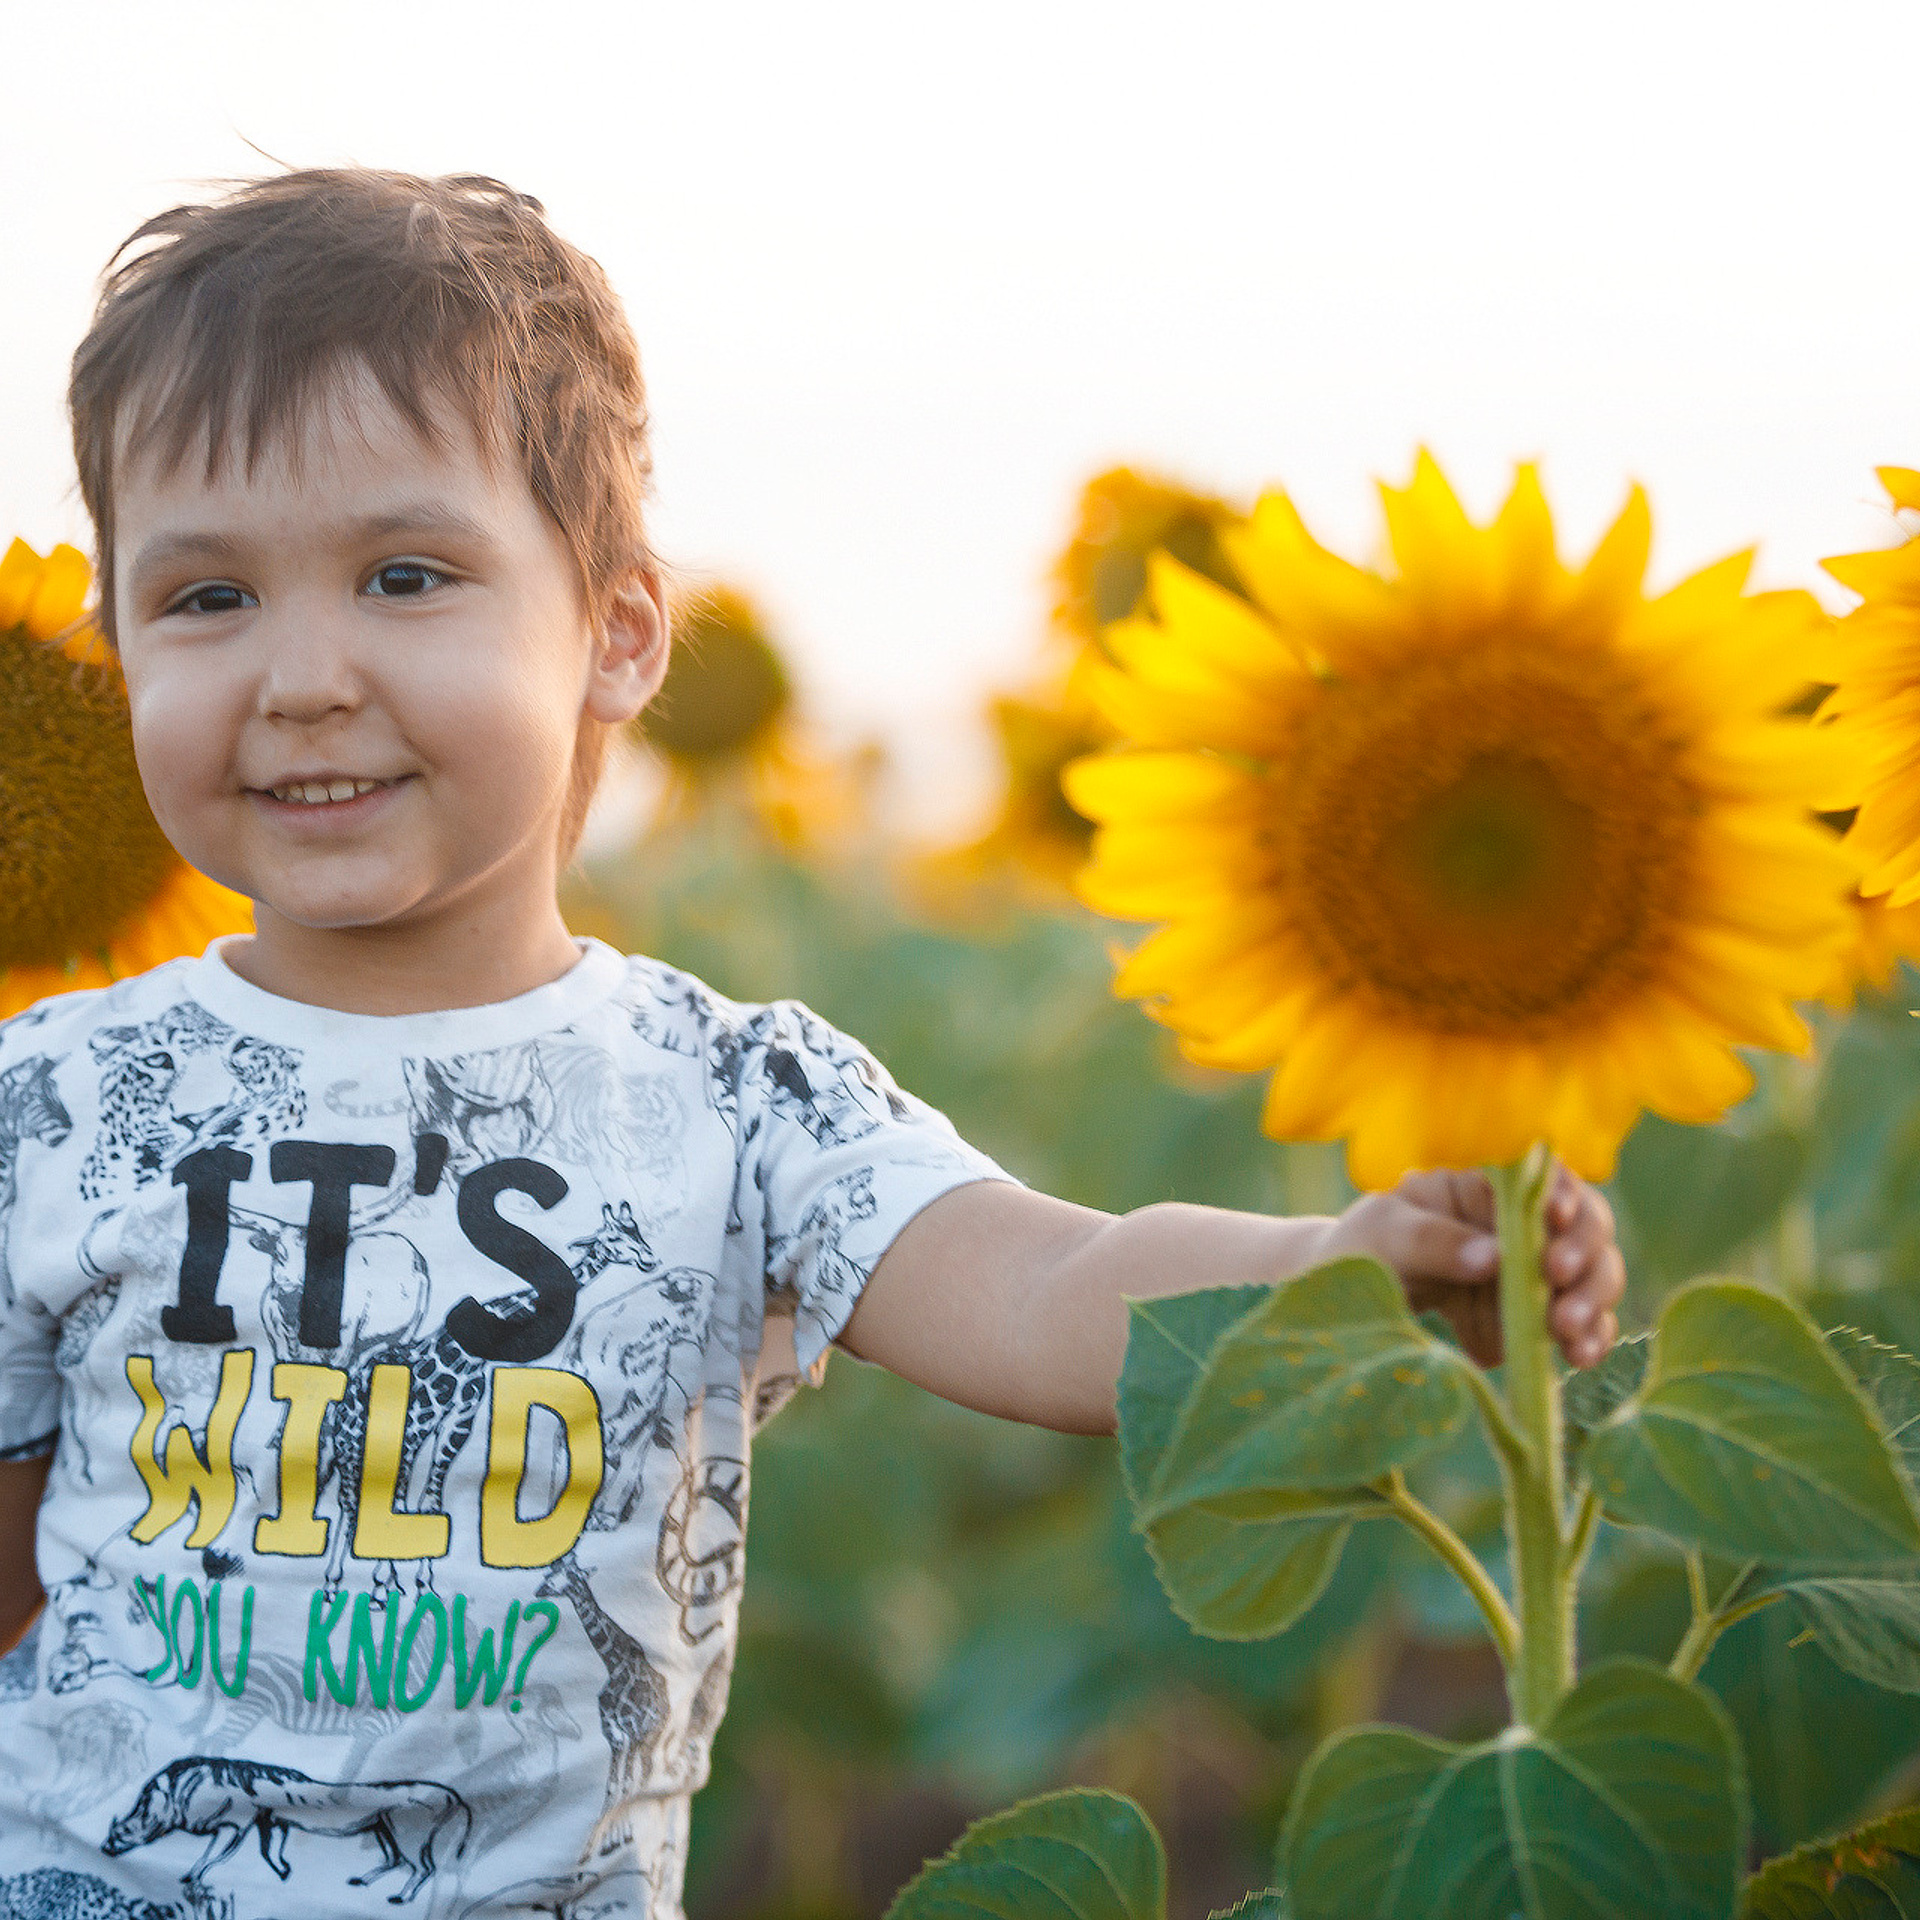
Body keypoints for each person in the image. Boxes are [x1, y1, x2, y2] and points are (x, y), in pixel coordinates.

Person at [0, 170, 1623, 1919]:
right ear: (114, 647)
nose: (301, 674)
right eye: (206, 600)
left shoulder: (731, 1094)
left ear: (619, 633)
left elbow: (1048, 1284)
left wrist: (1331, 1265)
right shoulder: (55, 1096)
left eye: (406, 575)